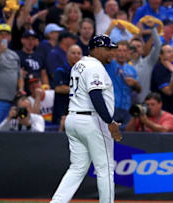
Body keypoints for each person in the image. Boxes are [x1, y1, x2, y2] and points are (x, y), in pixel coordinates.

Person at [50, 34, 122, 203]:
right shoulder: (94, 66)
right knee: (105, 168)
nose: (111, 52)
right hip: (92, 120)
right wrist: (109, 122)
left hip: (74, 118)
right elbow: (95, 95)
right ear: (96, 49)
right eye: (107, 49)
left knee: (77, 168)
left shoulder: (79, 64)